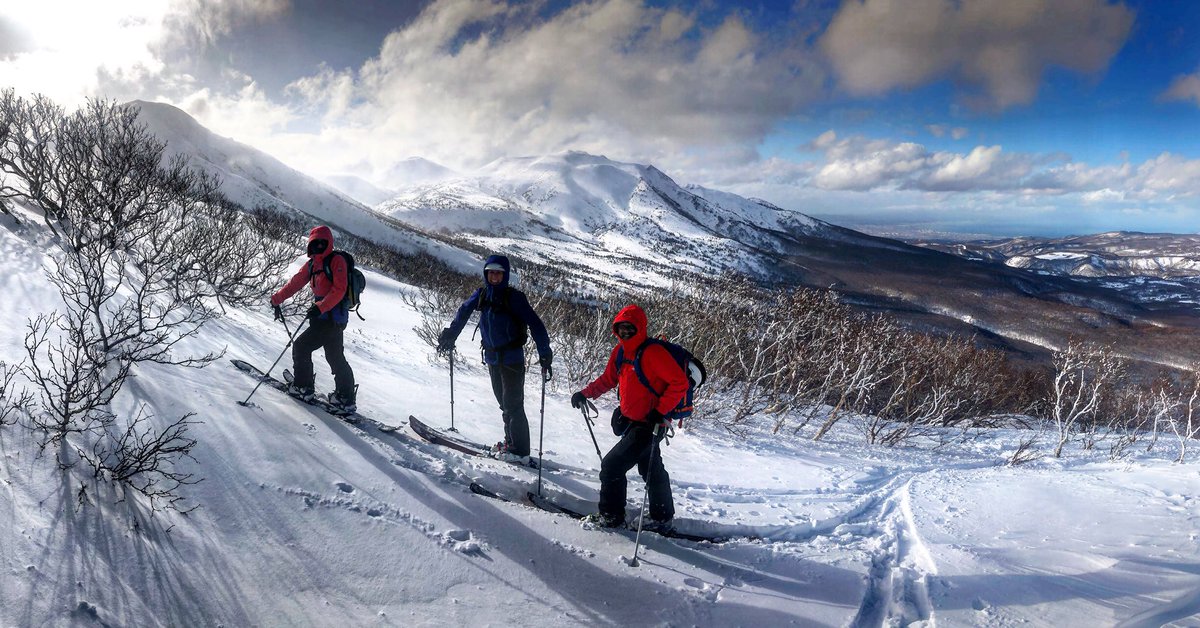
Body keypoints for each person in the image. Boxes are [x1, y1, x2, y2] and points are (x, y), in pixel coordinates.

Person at [570, 304, 687, 529]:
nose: (624, 332)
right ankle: (662, 517)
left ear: (640, 328)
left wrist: (660, 411)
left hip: (651, 425)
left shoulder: (653, 353)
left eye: (629, 328)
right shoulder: (620, 352)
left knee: (612, 466)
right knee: (651, 468)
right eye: (620, 328)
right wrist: (585, 394)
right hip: (632, 423)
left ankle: (611, 517)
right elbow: (608, 379)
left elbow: (679, 383)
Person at [438, 255, 552, 464]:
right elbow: (463, 312)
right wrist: (450, 335)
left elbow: (536, 324)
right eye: (491, 272)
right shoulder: (482, 294)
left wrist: (544, 351)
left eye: (498, 273)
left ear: (505, 275)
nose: (494, 276)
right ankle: (511, 443)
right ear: (486, 274)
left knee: (513, 405)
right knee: (504, 403)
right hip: (492, 358)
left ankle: (520, 451)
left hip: (512, 359)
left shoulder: (515, 297)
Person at [270, 225, 357, 413]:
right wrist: (277, 299)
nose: (318, 246)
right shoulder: (312, 264)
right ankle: (345, 398)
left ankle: (303, 388)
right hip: (323, 316)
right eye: (314, 243)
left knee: (301, 347)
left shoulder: (337, 260)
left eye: (322, 242)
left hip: (331, 317)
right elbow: (295, 283)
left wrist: (321, 307)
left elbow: (340, 289)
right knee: (334, 356)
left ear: (329, 243)